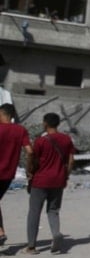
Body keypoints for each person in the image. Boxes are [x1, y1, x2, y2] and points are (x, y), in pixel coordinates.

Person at [24, 112, 74, 255]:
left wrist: (29, 172)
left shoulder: (41, 140)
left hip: (40, 180)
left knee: (34, 211)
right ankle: (56, 233)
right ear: (58, 124)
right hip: (58, 181)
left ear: (45, 123)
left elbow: (32, 156)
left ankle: (32, 246)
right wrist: (66, 176)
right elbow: (71, 161)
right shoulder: (66, 139)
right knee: (53, 210)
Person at [0, 103, 31, 246]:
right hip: (8, 175)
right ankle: (0, 232)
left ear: (3, 114)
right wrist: (30, 168)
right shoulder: (20, 130)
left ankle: (1, 232)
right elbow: (30, 151)